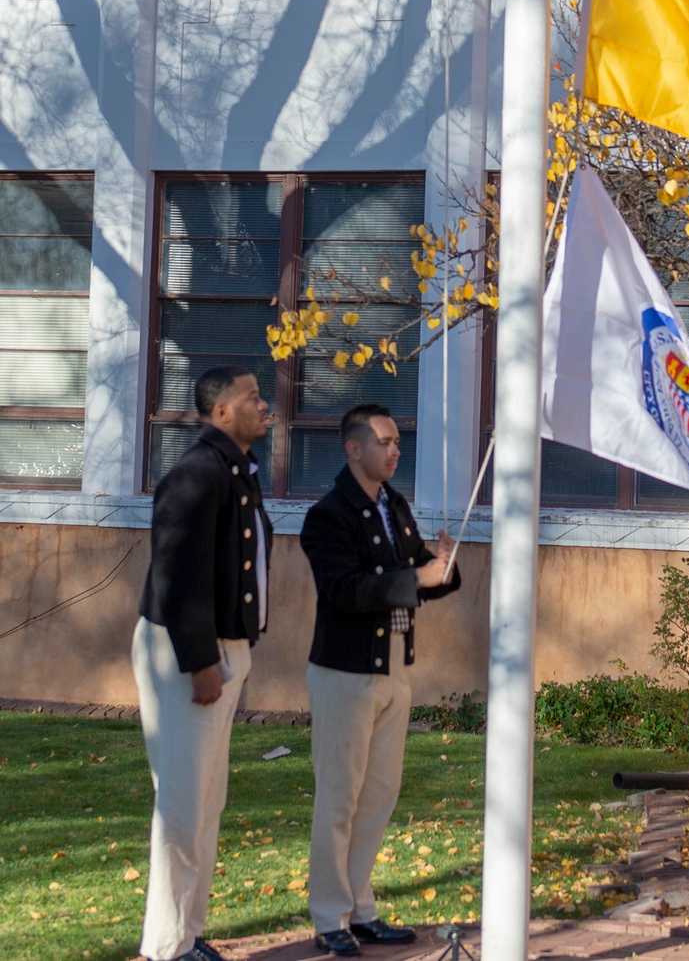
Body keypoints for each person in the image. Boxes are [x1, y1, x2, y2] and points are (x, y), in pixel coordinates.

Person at [300, 402, 461, 956]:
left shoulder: (395, 505)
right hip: (344, 672)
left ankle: (360, 908)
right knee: (340, 799)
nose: (395, 450)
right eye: (385, 442)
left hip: (393, 666)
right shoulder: (328, 516)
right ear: (354, 448)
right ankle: (328, 917)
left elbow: (416, 570)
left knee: (378, 796)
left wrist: (440, 567)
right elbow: (345, 590)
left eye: (397, 442)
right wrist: (415, 575)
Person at [132, 365, 273, 961]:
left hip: (222, 649)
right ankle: (167, 946)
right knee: (184, 802)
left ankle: (187, 932)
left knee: (205, 803)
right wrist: (201, 663)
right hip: (189, 652)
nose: (265, 405)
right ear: (221, 413)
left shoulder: (234, 470)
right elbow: (177, 575)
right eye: (253, 398)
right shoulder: (196, 475)